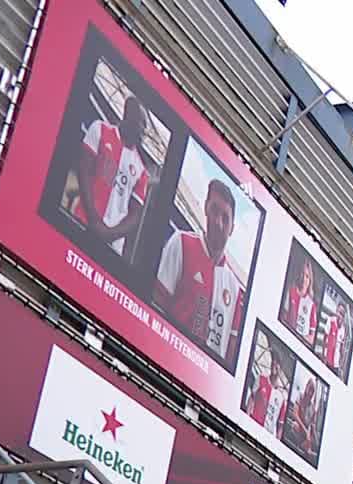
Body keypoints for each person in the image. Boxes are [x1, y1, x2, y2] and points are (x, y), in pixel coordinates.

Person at [154, 177, 243, 364]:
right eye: (214, 211)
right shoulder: (182, 243)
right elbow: (157, 303)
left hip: (201, 383)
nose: (218, 222)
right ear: (205, 209)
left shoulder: (234, 288)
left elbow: (231, 350)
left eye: (225, 218)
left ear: (233, 228)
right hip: (167, 360)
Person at [73, 95, 151, 257]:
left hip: (112, 245)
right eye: (140, 123)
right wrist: (94, 219)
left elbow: (134, 216)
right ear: (127, 114)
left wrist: (111, 233)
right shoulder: (100, 130)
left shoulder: (142, 172)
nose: (143, 130)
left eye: (145, 127)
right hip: (83, 220)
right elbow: (84, 171)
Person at [243, 348, 290, 436]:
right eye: (273, 361)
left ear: (281, 368)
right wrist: (247, 418)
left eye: (277, 363)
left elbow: (280, 425)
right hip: (253, 427)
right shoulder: (261, 379)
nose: (274, 364)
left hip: (267, 436)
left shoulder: (282, 396)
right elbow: (251, 399)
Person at [283, 258, 317, 342]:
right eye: (302, 274)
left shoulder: (311, 304)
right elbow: (283, 317)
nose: (304, 279)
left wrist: (302, 339)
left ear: (310, 280)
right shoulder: (291, 292)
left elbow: (312, 337)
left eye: (307, 276)